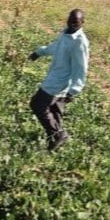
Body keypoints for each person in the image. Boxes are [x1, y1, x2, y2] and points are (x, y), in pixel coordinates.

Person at [28, 9, 90, 151]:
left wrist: (74, 90)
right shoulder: (66, 33)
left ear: (82, 23)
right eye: (71, 20)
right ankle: (54, 143)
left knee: (37, 104)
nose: (73, 24)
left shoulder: (80, 42)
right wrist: (39, 52)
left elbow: (81, 67)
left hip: (60, 82)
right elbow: (55, 47)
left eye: (76, 22)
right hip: (55, 75)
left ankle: (59, 134)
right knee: (54, 111)